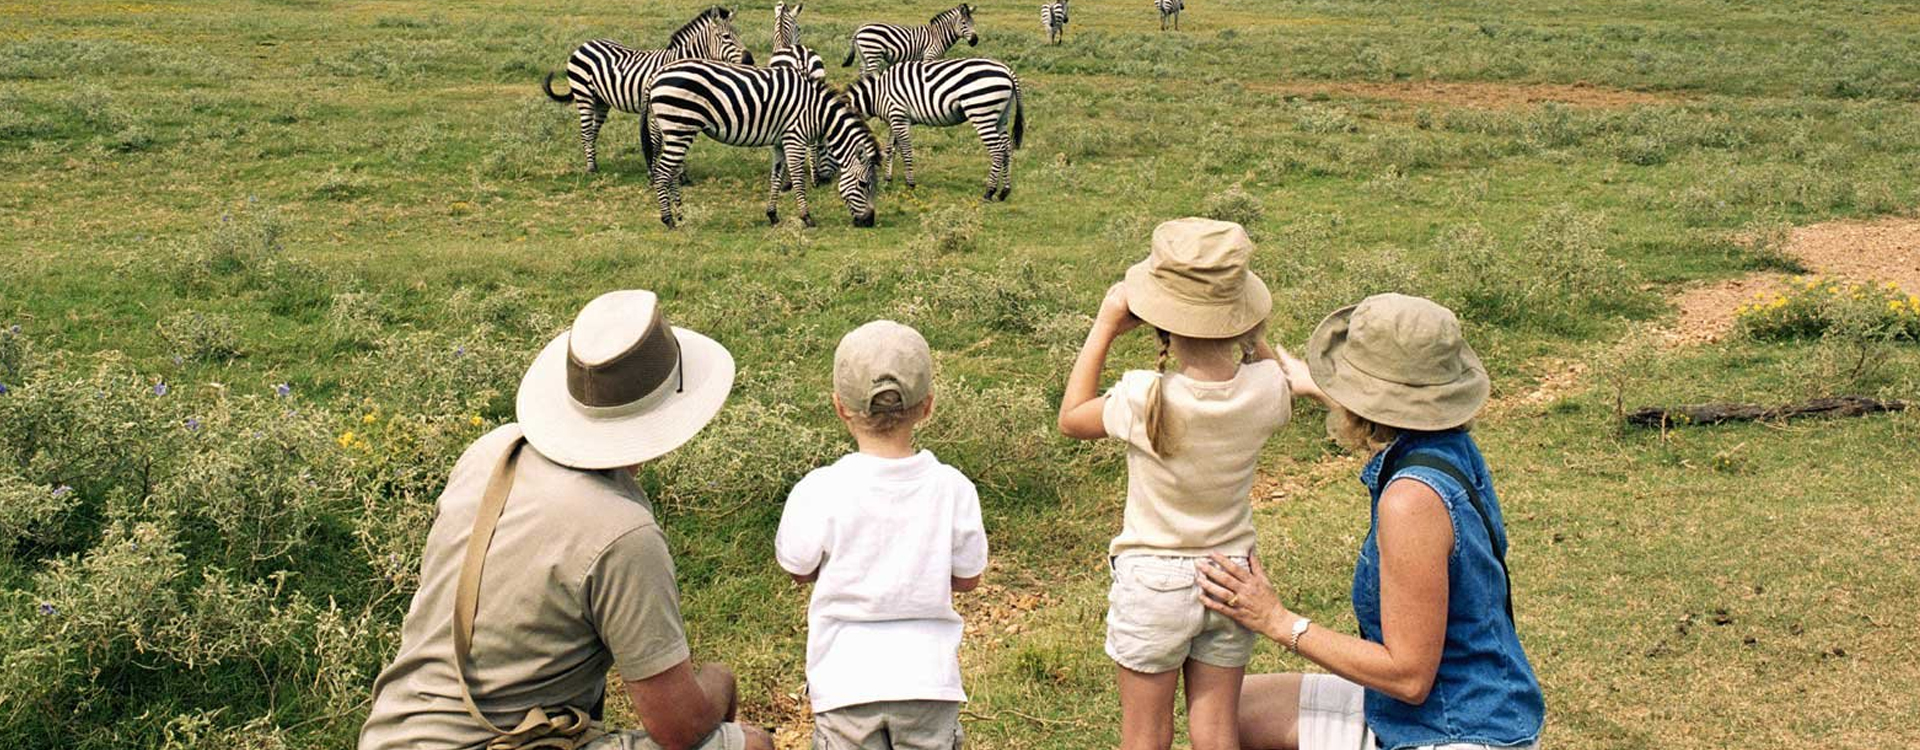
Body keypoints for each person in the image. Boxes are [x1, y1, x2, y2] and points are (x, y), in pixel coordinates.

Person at [359, 290, 775, 750]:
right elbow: (678, 729)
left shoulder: (492, 452)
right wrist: (720, 682)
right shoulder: (621, 531)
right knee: (749, 745)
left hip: (390, 735)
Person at [1195, 293, 1546, 750]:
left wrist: (1278, 621)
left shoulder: (1411, 501)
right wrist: (1305, 378)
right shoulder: (1445, 445)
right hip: (1448, 705)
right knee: (1232, 712)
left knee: (1226, 714)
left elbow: (1408, 676)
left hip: (1457, 731)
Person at [1056, 218, 1293, 750]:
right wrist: (1254, 333)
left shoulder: (1145, 396)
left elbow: (1071, 418)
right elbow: (1275, 369)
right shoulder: (1268, 389)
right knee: (1215, 733)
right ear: (1242, 318)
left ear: (1158, 321)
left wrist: (1105, 325)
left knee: (1144, 736)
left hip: (1153, 581)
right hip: (1232, 578)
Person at [775, 320, 989, 750]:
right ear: (927, 406)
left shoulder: (819, 489)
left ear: (839, 406)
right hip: (929, 682)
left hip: (845, 682)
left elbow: (797, 568)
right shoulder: (954, 487)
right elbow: (969, 579)